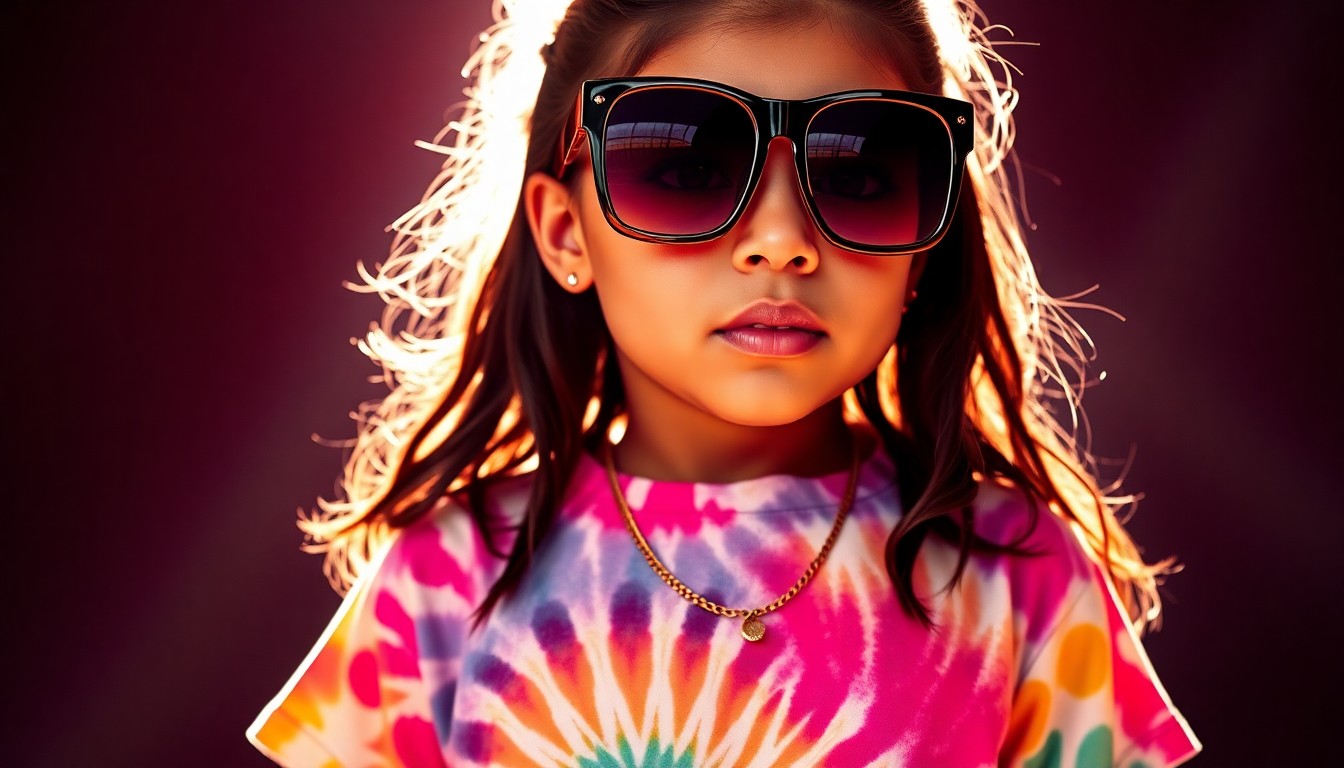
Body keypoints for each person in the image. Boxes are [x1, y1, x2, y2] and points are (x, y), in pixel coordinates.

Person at [248, 0, 1201, 765]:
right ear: (566, 234)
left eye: (861, 176)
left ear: (927, 244)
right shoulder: (445, 579)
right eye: (688, 168)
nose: (781, 242)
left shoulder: (1017, 575)